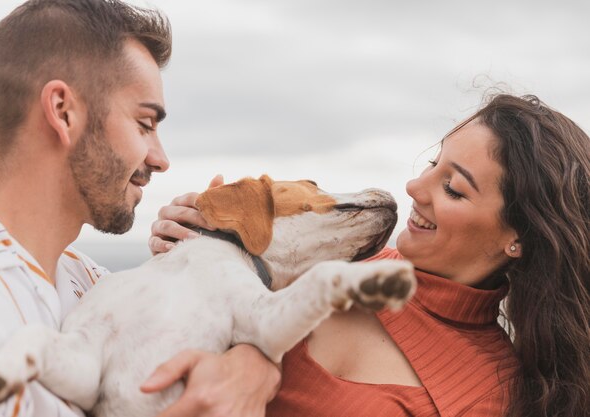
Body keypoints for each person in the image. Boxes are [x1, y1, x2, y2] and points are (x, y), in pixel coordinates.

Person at [150, 93, 590, 417]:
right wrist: (193, 249)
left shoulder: (491, 396)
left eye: (453, 188)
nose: (416, 189)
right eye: (433, 165)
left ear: (518, 239)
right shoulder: (338, 260)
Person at [0, 1, 278, 416]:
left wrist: (252, 364)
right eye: (145, 124)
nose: (161, 158)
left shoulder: (89, 281)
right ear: (63, 111)